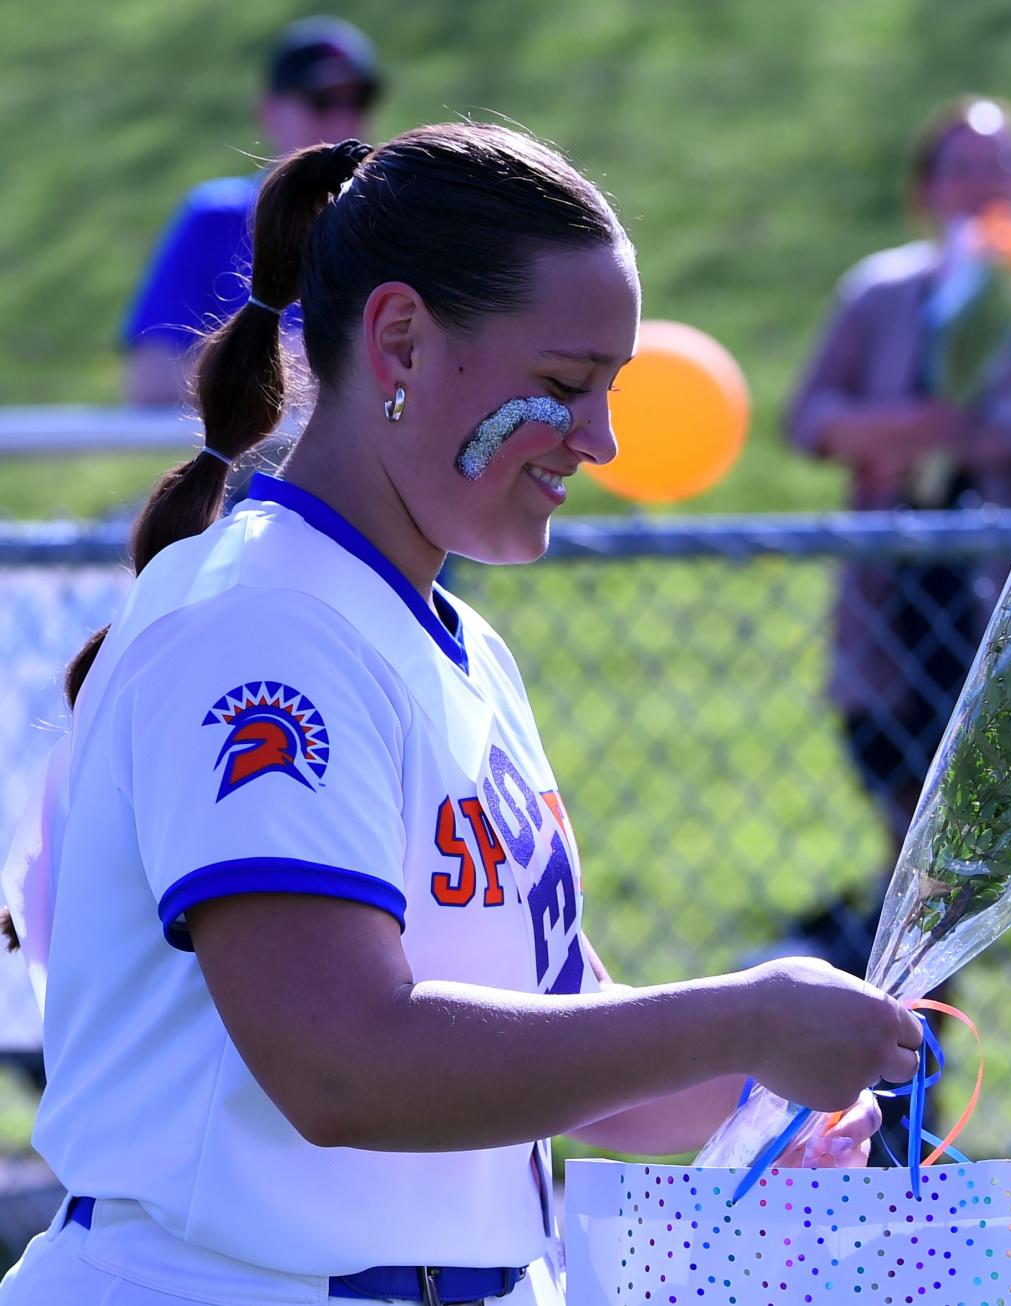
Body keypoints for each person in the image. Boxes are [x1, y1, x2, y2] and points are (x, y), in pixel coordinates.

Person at [0, 123, 922, 1306]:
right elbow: (343, 1062)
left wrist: (774, 1095)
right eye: (562, 385)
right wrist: (739, 1019)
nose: (602, 441)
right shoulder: (263, 621)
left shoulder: (456, 643)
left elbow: (573, 1042)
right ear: (400, 341)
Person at [786, 95, 1011, 1155]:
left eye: (1000, 169)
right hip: (903, 630)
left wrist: (900, 430)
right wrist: (905, 431)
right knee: (919, 875)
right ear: (922, 187)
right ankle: (913, 1114)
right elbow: (811, 417)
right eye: (957, 170)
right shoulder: (881, 292)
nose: (980, 190)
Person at [121, 15, 381, 406]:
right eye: (320, 100)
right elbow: (149, 379)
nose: (343, 119)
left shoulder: (390, 225)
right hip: (251, 459)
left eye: (358, 101)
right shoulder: (216, 217)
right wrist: (292, 368)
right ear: (269, 112)